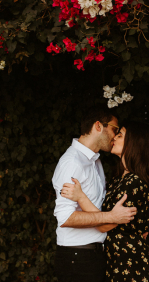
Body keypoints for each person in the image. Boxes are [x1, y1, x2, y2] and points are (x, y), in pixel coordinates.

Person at [61, 121, 149, 282]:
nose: (114, 137)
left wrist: (81, 197)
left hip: (129, 265)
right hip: (115, 261)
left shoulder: (134, 183)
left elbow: (104, 225)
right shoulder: (119, 180)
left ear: (133, 144)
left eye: (120, 135)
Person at [51, 108, 139, 282]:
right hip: (77, 257)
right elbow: (65, 218)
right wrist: (112, 217)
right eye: (115, 129)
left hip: (92, 255)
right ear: (98, 126)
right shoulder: (73, 162)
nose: (115, 136)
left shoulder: (94, 160)